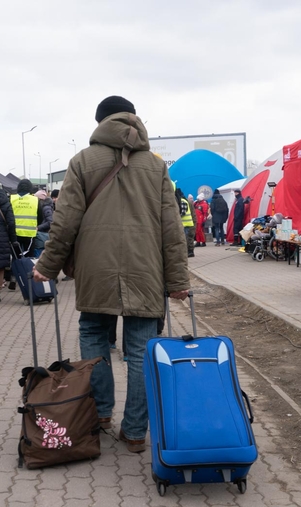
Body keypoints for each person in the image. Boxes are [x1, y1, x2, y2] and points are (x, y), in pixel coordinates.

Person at [32, 95, 190, 454]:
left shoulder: (82, 161)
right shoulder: (155, 165)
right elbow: (171, 226)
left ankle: (100, 414)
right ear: (134, 120)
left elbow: (66, 220)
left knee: (93, 338)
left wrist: (47, 266)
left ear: (100, 122)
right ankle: (135, 432)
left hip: (95, 268)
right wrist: (178, 280)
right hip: (146, 269)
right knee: (140, 351)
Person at [10, 179, 41, 257]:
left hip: (14, 234)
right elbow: (41, 217)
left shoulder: (11, 199)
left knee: (16, 257)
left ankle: (16, 269)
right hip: (30, 234)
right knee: (29, 257)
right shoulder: (35, 200)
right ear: (30, 188)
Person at [34, 189, 55, 257]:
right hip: (43, 234)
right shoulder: (44, 207)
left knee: (40, 255)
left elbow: (50, 221)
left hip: (43, 235)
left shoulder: (46, 207)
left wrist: (38, 227)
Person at [176, 188, 195, 257]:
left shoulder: (182, 201)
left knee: (185, 239)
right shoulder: (184, 200)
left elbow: (182, 212)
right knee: (186, 238)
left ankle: (186, 252)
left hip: (185, 224)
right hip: (186, 223)